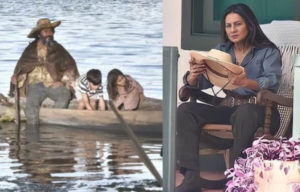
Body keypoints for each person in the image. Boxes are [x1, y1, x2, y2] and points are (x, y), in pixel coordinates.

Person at [176, 3, 282, 192]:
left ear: (249, 25)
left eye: (238, 24)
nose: (232, 30)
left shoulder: (268, 51)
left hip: (259, 110)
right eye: (228, 25)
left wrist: (245, 82)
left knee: (245, 113)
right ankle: (191, 178)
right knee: (185, 110)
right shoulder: (222, 51)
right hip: (228, 110)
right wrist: (193, 75)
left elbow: (271, 82)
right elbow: (204, 83)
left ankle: (236, 178)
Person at [9, 18, 79, 125]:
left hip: (53, 84)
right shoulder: (30, 49)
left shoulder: (58, 49)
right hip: (35, 85)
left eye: (50, 31)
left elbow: (70, 67)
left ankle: (53, 123)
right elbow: (22, 66)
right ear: (39, 34)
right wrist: (16, 76)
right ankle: (33, 136)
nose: (48, 34)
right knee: (31, 106)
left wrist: (63, 82)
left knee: (64, 95)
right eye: (45, 31)